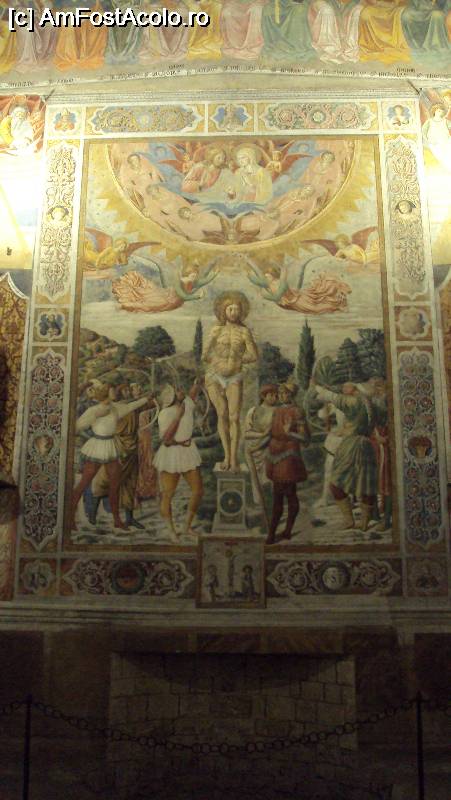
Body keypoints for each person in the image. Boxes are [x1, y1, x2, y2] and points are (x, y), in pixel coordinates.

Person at [71, 383, 151, 531]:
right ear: (106, 393)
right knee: (84, 483)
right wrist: (96, 416)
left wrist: (146, 399)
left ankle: (117, 520)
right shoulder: (94, 410)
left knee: (115, 484)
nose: (115, 392)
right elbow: (76, 427)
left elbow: (131, 406)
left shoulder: (115, 408)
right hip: (96, 447)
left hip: (110, 447)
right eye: (112, 390)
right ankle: (70, 518)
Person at [312, 379, 377, 532]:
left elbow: (331, 397)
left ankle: (349, 521)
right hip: (366, 445)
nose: (343, 388)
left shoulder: (354, 401)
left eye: (346, 386)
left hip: (352, 445)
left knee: (335, 484)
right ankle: (364, 523)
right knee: (365, 484)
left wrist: (316, 386)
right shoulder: (367, 403)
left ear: (355, 388)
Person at [203, 291, 258, 472]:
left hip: (234, 376)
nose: (234, 312)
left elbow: (253, 355)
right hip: (214, 376)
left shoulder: (244, 331)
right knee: (222, 414)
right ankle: (226, 456)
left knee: (234, 418)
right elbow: (205, 354)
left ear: (241, 312)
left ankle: (233, 459)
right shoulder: (216, 330)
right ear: (223, 311)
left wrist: (238, 359)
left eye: (236, 309)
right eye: (230, 309)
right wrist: (217, 361)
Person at [154, 381, 204, 537]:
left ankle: (186, 526)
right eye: (177, 390)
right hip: (171, 453)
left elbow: (193, 393)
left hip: (188, 451)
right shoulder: (165, 413)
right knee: (167, 494)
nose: (182, 390)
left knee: (198, 491)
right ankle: (171, 530)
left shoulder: (187, 404)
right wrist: (178, 416)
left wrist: (197, 384)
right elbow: (166, 439)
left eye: (181, 388)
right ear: (172, 396)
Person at [265, 381, 310, 544]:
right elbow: (270, 433)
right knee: (281, 495)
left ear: (292, 395)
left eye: (286, 393)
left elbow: (305, 438)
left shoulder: (297, 411)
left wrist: (289, 433)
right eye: (281, 393)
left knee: (285, 494)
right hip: (274, 455)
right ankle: (281, 532)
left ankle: (278, 532)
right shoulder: (277, 410)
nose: (282, 396)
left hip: (289, 455)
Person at [244, 383, 278, 506]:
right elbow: (246, 433)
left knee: (269, 479)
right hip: (252, 449)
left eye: (276, 395)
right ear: (263, 396)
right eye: (271, 395)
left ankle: (272, 504)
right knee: (256, 480)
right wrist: (262, 435)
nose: (274, 398)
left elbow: (275, 433)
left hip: (269, 448)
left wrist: (266, 437)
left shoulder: (278, 412)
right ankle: (261, 505)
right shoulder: (253, 411)